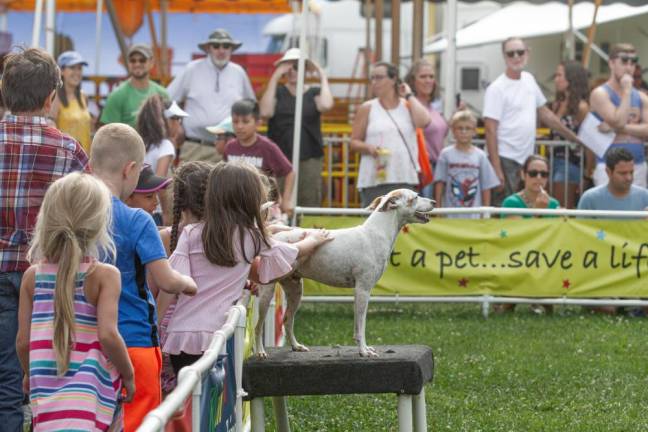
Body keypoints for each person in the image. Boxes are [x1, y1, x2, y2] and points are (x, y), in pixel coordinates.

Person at [162, 161, 331, 374]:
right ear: (249, 201)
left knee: (188, 401)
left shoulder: (190, 233)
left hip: (182, 335)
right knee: (213, 403)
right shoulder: (251, 237)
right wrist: (314, 239)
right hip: (217, 336)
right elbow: (293, 251)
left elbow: (178, 277)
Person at [0, 47, 88, 430]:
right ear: (51, 97)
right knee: (47, 377)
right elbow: (85, 220)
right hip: (49, 276)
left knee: (4, 380)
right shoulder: (69, 149)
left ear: (4, 93)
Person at [89, 123, 197, 432]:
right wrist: (187, 283)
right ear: (130, 169)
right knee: (140, 424)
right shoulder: (137, 218)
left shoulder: (74, 213)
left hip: (83, 341)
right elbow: (166, 280)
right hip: (133, 341)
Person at [15, 173, 134, 431]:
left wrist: (29, 373)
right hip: (94, 400)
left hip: (48, 405)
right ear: (98, 223)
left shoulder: (32, 277)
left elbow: (23, 342)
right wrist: (129, 374)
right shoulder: (104, 276)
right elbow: (108, 335)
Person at [484, 37, 582, 206]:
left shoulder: (529, 79)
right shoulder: (496, 88)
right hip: (505, 158)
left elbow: (545, 114)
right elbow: (490, 128)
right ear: (504, 56)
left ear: (527, 53)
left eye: (520, 52)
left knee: (525, 207)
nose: (516, 56)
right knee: (506, 209)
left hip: (527, 159)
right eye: (511, 53)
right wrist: (496, 167)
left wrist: (573, 137)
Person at [260, 48, 334, 207]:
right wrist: (275, 76)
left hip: (309, 157)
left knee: (308, 200)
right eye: (289, 67)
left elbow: (326, 105)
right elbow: (265, 111)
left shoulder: (314, 92)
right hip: (279, 157)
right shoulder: (278, 92)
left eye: (298, 67)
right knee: (275, 202)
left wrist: (321, 75)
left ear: (306, 70)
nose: (293, 71)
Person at [167, 29, 255, 163]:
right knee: (189, 184)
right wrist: (177, 124)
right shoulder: (191, 69)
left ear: (231, 49)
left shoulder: (239, 72)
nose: (221, 50)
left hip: (230, 149)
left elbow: (251, 107)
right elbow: (168, 99)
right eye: (216, 46)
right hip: (195, 147)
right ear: (208, 48)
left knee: (228, 185)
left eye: (226, 46)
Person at [350, 61, 431, 207]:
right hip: (375, 178)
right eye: (372, 78)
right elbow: (354, 141)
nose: (374, 82)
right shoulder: (367, 107)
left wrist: (409, 95)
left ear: (393, 79)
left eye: (379, 77)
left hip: (405, 176)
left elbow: (424, 121)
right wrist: (369, 148)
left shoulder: (407, 105)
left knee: (405, 227)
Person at [223, 99, 296, 216]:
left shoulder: (268, 147)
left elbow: (289, 172)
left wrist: (286, 200)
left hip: (264, 208)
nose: (240, 126)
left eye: (245, 122)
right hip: (235, 208)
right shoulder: (229, 147)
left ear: (258, 123)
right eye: (235, 122)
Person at [590, 43, 648, 188]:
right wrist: (627, 91)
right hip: (608, 166)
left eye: (633, 62)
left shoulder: (641, 96)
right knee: (607, 209)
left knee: (636, 210)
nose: (629, 67)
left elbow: (621, 125)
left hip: (637, 165)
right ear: (611, 63)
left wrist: (616, 128)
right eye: (624, 61)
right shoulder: (601, 93)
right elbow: (618, 120)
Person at [433, 110, 499, 218]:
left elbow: (486, 186)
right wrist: (438, 210)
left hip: (474, 215)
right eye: (460, 128)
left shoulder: (480, 156)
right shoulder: (445, 154)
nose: (464, 131)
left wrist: (485, 212)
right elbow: (439, 183)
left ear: (474, 131)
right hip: (451, 215)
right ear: (453, 131)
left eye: (468, 128)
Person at [136, 95, 188, 224]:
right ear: (168, 121)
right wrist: (166, 213)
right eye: (178, 119)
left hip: (136, 207)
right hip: (154, 212)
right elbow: (160, 182)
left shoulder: (142, 143)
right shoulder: (166, 145)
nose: (179, 124)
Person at [550, 60, 595, 208]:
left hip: (571, 163)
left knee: (563, 209)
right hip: (554, 160)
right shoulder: (559, 103)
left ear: (571, 78)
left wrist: (588, 173)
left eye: (559, 75)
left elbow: (590, 141)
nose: (556, 79)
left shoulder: (581, 107)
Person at [404, 58, 449, 199]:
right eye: (423, 76)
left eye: (431, 76)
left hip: (438, 167)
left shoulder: (433, 106)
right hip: (422, 168)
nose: (428, 80)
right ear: (412, 81)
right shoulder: (408, 105)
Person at [100, 44, 168, 128]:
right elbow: (109, 132)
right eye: (133, 60)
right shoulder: (116, 96)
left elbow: (169, 128)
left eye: (142, 60)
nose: (137, 64)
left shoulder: (162, 94)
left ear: (151, 63)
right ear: (128, 63)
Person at [578, 147, 648, 211]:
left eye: (631, 172)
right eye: (622, 173)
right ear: (608, 172)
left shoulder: (645, 196)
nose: (629, 178)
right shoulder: (589, 198)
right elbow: (579, 225)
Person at [50, 51, 93, 153]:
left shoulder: (83, 96)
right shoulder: (55, 97)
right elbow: (50, 130)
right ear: (61, 71)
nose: (77, 72)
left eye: (79, 68)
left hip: (85, 160)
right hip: (66, 161)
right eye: (72, 67)